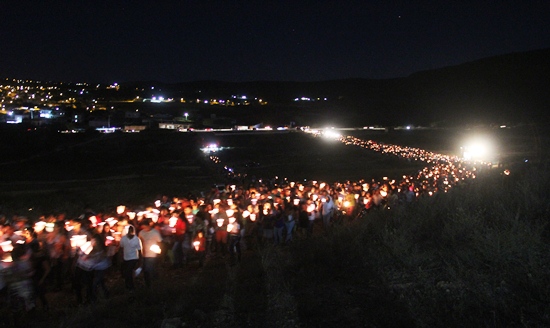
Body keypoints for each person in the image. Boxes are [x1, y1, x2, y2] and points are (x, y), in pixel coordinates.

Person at [138, 219, 162, 288]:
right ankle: (150, 281)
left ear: (148, 226)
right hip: (144, 253)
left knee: (148, 268)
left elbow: (160, 242)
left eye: (145, 227)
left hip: (152, 254)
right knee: (146, 268)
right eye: (142, 228)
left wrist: (158, 250)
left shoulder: (155, 233)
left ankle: (150, 283)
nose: (144, 229)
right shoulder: (141, 233)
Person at [119, 225, 142, 293]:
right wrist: (120, 258)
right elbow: (121, 248)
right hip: (126, 258)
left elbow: (139, 250)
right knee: (126, 273)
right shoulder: (123, 238)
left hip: (133, 258)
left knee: (128, 272)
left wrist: (140, 261)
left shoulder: (136, 239)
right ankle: (128, 286)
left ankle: (131, 287)